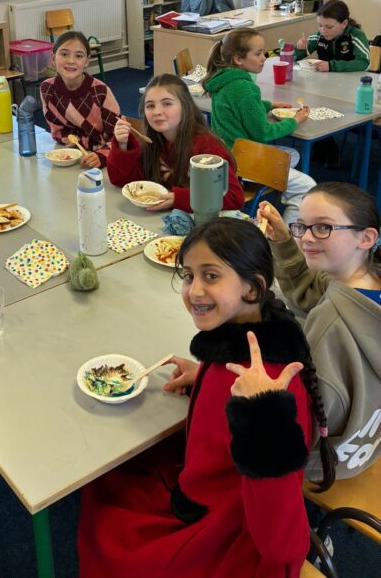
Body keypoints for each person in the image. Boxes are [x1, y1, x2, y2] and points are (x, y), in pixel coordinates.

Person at [78, 218, 335, 578]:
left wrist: (262, 415)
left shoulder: (269, 387)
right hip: (213, 489)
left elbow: (283, 546)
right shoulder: (252, 335)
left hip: (233, 533)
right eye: (188, 276)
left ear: (252, 288)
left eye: (211, 276)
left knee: (108, 522)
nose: (194, 291)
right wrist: (203, 375)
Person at [259, 183, 380, 481]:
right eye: (302, 226)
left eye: (323, 227)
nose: (306, 238)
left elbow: (301, 419)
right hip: (367, 442)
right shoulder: (366, 277)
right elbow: (310, 290)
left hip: (327, 462)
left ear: (366, 238)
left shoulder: (329, 321)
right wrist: (284, 241)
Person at [202, 28, 315, 225]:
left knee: (292, 155)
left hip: (228, 154)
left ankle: (270, 185)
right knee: (308, 186)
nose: (264, 58)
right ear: (238, 59)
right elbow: (263, 132)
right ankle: (282, 235)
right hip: (242, 161)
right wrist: (295, 121)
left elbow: (238, 108)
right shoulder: (245, 88)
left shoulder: (224, 80)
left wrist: (269, 105)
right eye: (258, 53)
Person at [107, 74, 245, 213]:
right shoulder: (152, 141)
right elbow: (125, 182)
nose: (157, 112)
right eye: (150, 106)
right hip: (164, 217)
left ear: (185, 106)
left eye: (167, 104)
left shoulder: (207, 146)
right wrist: (123, 145)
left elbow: (234, 196)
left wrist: (179, 199)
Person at [40, 30, 120, 168]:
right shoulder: (47, 89)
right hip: (73, 157)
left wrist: (102, 155)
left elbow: (119, 137)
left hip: (103, 159)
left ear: (87, 61)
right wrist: (76, 145)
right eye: (64, 54)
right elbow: (58, 133)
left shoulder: (101, 91)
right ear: (53, 58)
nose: (71, 61)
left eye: (78, 56)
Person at [295, 0, 370, 72]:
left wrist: (331, 66)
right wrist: (299, 49)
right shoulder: (318, 37)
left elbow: (364, 63)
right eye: (320, 25)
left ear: (344, 24)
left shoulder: (356, 36)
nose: (323, 31)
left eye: (329, 27)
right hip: (325, 78)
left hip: (351, 79)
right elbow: (292, 58)